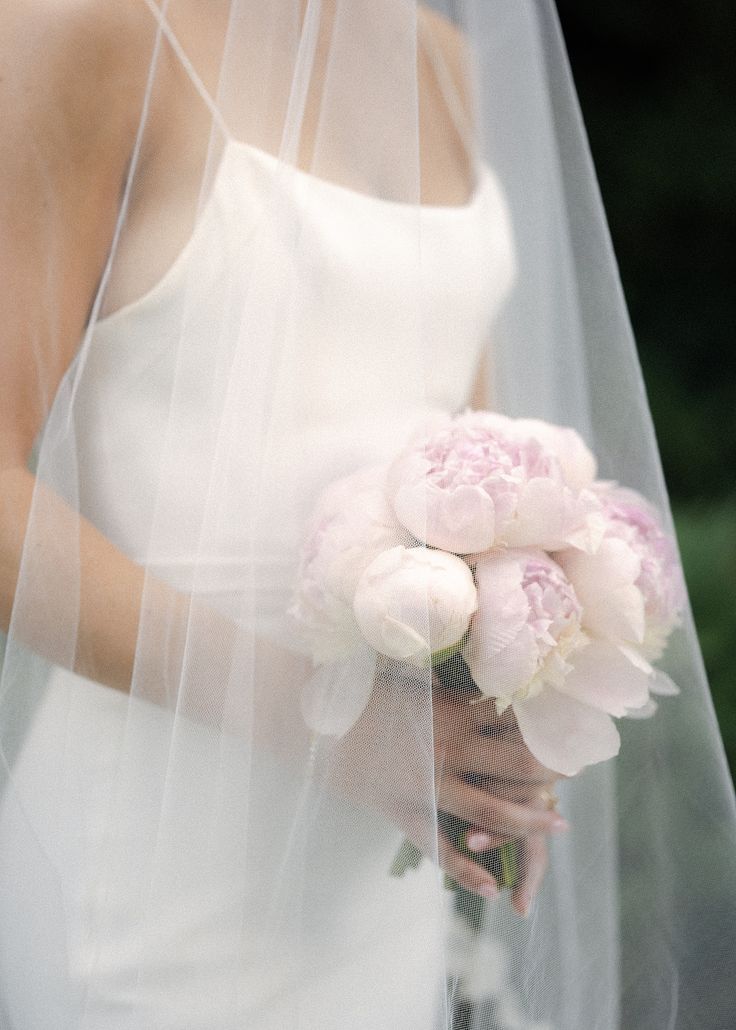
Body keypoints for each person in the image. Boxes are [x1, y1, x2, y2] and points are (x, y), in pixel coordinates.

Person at [1, 3, 735, 1028]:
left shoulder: (444, 67)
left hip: (366, 880)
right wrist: (324, 720)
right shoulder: (87, 27)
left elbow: (464, 449)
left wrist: (508, 662)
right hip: (152, 882)